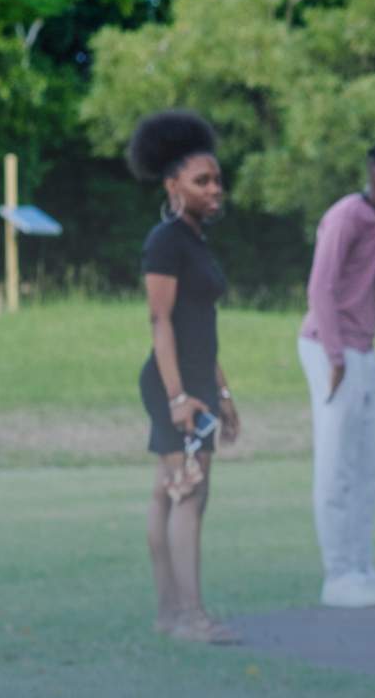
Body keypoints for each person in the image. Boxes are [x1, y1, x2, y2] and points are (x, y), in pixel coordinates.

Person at [126, 110, 243, 645]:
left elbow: (203, 324)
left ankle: (170, 613)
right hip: (174, 386)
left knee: (170, 492)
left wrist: (221, 390)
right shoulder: (165, 241)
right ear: (173, 185)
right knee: (187, 494)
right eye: (203, 181)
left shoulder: (193, 239)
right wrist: (179, 398)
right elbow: (161, 322)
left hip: (196, 383)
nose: (215, 189)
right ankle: (190, 617)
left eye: (217, 179)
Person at [299, 142, 375, 609]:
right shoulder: (347, 215)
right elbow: (321, 285)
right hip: (330, 347)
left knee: (369, 462)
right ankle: (338, 576)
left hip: (365, 348)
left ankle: (363, 569)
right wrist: (334, 356)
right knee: (337, 464)